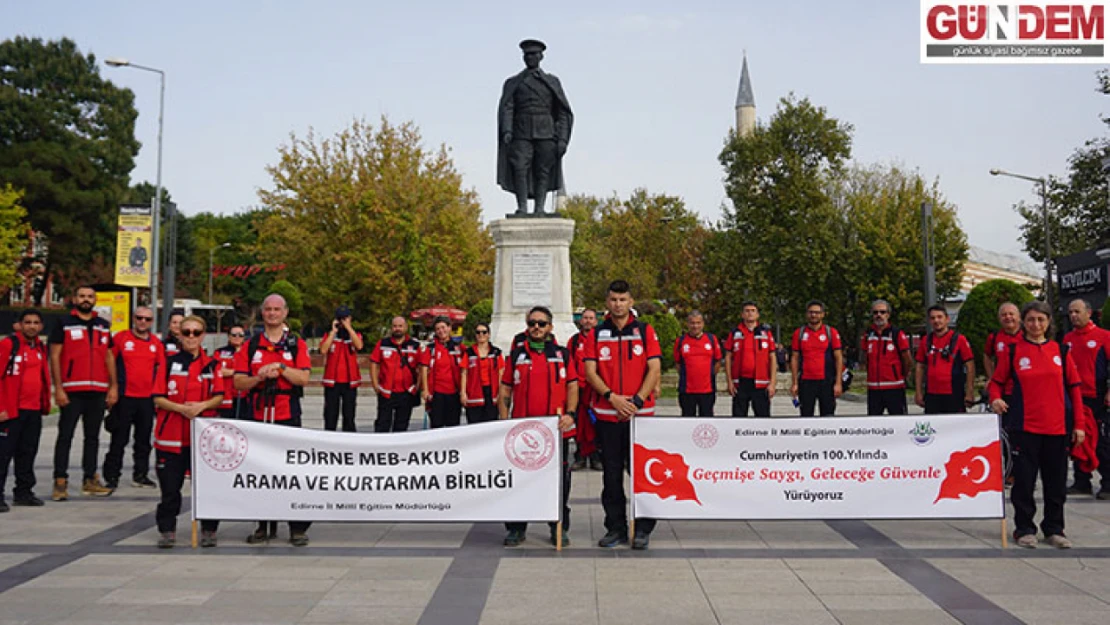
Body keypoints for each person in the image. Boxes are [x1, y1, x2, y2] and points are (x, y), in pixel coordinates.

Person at [990, 301, 1087, 549]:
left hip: (1057, 428)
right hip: (1025, 427)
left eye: (1041, 320)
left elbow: (1075, 389)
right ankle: (1024, 528)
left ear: (1048, 322)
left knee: (1056, 483)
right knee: (1023, 481)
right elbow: (996, 382)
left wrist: (1079, 424)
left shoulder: (1061, 351)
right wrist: (996, 398)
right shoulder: (1013, 351)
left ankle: (1054, 528)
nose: (1036, 324)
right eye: (1031, 320)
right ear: (1024, 322)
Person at [584, 280, 662, 550]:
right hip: (608, 415)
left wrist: (637, 400)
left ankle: (642, 528)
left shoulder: (644, 330)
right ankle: (615, 527)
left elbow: (654, 368)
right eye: (613, 299)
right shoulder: (596, 334)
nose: (618, 304)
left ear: (631, 302)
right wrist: (612, 398)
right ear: (607, 302)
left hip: (640, 416)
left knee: (642, 474)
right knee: (612, 475)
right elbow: (590, 372)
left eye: (623, 299)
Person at [233, 294, 313, 546]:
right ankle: (263, 524)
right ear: (262, 313)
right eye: (268, 309)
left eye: (277, 309)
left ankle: (296, 526)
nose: (272, 314)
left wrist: (280, 368)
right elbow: (237, 381)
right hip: (257, 413)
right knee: (260, 471)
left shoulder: (295, 343)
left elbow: (303, 378)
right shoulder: (251, 344)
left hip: (287, 413)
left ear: (285, 313)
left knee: (290, 471)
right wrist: (258, 377)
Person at [498, 306, 578, 546]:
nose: (536, 327)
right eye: (532, 323)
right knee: (519, 480)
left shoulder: (563, 354)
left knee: (559, 480)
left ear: (550, 327)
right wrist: (503, 418)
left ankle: (558, 525)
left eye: (541, 323)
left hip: (555, 430)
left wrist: (571, 414)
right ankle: (516, 527)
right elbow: (505, 388)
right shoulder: (516, 355)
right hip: (523, 432)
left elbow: (573, 386)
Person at [152, 315, 223, 548]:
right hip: (171, 437)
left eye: (196, 332)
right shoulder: (168, 362)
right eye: (186, 332)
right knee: (170, 490)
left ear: (203, 335)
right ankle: (167, 529)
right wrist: (181, 409)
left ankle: (209, 529)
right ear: (179, 335)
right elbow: (158, 397)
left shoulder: (212, 364)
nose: (191, 337)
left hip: (202, 439)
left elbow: (219, 396)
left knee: (207, 488)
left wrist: (202, 406)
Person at [49, 285, 117, 500]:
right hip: (72, 390)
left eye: (90, 296)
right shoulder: (63, 323)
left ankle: (90, 479)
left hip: (97, 390)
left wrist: (113, 386)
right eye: (82, 296)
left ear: (95, 300)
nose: (86, 299)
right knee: (65, 436)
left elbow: (108, 357)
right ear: (74, 298)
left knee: (93, 437)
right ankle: (60, 481)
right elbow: (55, 357)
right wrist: (58, 387)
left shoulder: (103, 325)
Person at [497, 39, 574, 216]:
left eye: (533, 54)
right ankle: (522, 207)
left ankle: (540, 208)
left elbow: (563, 111)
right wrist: (507, 130)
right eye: (527, 55)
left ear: (541, 56)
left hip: (546, 132)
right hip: (520, 132)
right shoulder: (513, 82)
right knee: (520, 167)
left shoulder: (551, 81)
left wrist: (562, 139)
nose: (530, 58)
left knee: (543, 169)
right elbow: (508, 107)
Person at [102, 306, 163, 490]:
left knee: (143, 440)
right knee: (119, 439)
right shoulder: (121, 338)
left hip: (146, 399)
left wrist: (158, 395)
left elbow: (160, 369)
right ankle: (112, 476)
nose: (143, 322)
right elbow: (109, 361)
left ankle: (140, 474)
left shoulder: (156, 344)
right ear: (134, 319)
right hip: (125, 397)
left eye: (147, 319)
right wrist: (111, 389)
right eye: (139, 318)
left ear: (152, 322)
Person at [0, 309, 51, 512]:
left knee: (27, 453)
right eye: (27, 322)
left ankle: (23, 492)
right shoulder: (8, 345)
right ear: (20, 325)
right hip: (12, 411)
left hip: (33, 409)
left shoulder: (40, 347)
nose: (31, 326)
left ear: (41, 326)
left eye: (35, 322)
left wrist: (44, 403)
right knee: (3, 455)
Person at [1062, 298, 1110, 498]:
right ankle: (1082, 481)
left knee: (1102, 441)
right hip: (1075, 396)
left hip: (1097, 396)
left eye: (1077, 311)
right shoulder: (1067, 339)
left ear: (1089, 313)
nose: (1073, 315)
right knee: (1077, 439)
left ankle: (1108, 482)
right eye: (1071, 312)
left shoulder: (1104, 336)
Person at [915, 305, 975, 414]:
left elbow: (970, 365)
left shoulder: (959, 339)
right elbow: (920, 367)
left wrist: (970, 391)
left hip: (954, 393)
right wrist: (918, 392)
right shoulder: (926, 340)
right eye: (933, 318)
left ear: (947, 319)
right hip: (931, 394)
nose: (936, 321)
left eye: (939, 317)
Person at [790, 300, 843, 416]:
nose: (813, 315)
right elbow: (794, 358)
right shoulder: (799, 333)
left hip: (827, 381)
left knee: (828, 416)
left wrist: (838, 383)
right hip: (806, 381)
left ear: (823, 314)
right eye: (811, 312)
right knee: (806, 415)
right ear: (806, 314)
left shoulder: (831, 332)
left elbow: (838, 358)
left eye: (817, 312)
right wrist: (794, 383)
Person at [859, 299, 912, 415]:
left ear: (888, 314)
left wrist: (901, 375)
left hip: (894, 387)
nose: (879, 315)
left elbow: (907, 358)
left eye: (882, 312)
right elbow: (865, 356)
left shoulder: (896, 333)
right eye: (875, 312)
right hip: (874, 388)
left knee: (899, 421)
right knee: (874, 423)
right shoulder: (868, 334)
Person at [725, 301, 777, 417]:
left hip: (761, 383)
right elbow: (728, 358)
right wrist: (729, 382)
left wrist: (772, 383)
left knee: (762, 418)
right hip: (741, 383)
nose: (750, 313)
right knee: (739, 418)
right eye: (747, 311)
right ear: (742, 314)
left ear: (757, 315)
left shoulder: (766, 333)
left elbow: (772, 358)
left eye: (753, 311)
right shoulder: (735, 333)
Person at [369, 316, 421, 432]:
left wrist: (418, 386)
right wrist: (375, 384)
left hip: (406, 392)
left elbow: (422, 367)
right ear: (391, 328)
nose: (397, 329)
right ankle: (381, 449)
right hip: (386, 392)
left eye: (400, 326)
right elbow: (374, 363)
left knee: (401, 426)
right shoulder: (383, 343)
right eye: (395, 326)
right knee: (382, 425)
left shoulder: (414, 345)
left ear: (406, 328)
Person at [319, 306, 364, 432]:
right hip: (332, 382)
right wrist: (333, 332)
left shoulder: (355, 335)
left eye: (345, 318)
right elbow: (323, 350)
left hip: (350, 382)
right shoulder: (329, 335)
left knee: (349, 415)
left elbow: (359, 346)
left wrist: (349, 328)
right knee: (330, 414)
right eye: (340, 319)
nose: (342, 321)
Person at [419, 317, 468, 429]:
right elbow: (424, 369)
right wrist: (425, 390)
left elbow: (465, 369)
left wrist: (464, 391)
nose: (441, 331)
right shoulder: (430, 348)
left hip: (454, 393)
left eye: (443, 327)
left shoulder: (459, 348)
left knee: (453, 426)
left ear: (449, 328)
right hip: (436, 394)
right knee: (436, 425)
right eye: (438, 329)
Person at [568, 309, 601, 471]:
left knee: (596, 424)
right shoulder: (573, 341)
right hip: (578, 390)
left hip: (596, 389)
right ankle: (580, 456)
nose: (588, 321)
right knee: (579, 424)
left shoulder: (601, 339)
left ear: (596, 321)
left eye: (591, 318)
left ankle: (596, 456)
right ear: (581, 321)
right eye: (585, 318)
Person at [673, 311, 722, 416]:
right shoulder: (681, 341)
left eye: (698, 323)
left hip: (707, 390)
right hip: (687, 391)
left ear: (703, 324)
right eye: (692, 323)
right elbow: (678, 364)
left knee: (706, 421)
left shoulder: (711, 339)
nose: (695, 326)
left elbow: (717, 362)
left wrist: (708, 375)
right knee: (687, 420)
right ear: (687, 324)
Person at [461, 323, 503, 424]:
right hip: (474, 392)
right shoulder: (469, 352)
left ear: (489, 334)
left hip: (491, 393)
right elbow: (464, 373)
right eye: (478, 332)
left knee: (491, 424)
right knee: (474, 424)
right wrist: (463, 393)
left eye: (484, 332)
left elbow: (501, 373)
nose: (481, 334)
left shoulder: (496, 352)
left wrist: (501, 393)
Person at [214, 324, 251, 420]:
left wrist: (231, 372)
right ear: (229, 336)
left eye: (240, 334)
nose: (237, 337)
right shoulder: (220, 352)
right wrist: (238, 372)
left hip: (244, 396)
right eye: (234, 334)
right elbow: (218, 371)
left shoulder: (249, 352)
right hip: (226, 396)